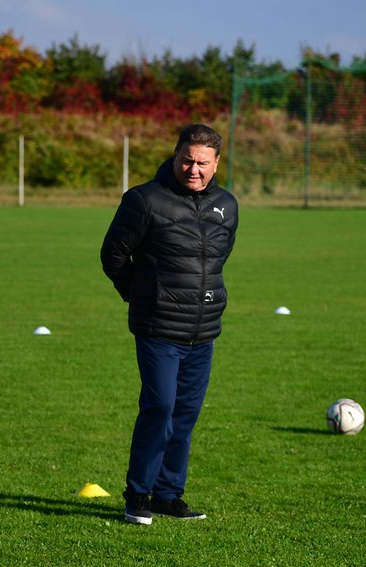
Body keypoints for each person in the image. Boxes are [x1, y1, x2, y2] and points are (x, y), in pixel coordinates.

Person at [100, 123, 238, 526]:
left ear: (216, 164)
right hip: (158, 327)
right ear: (175, 155)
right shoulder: (144, 200)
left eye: (202, 163)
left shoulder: (227, 206)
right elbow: (112, 256)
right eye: (187, 160)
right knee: (159, 406)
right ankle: (137, 495)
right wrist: (142, 295)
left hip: (204, 329)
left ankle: (168, 494)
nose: (193, 169)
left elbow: (217, 259)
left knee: (186, 414)